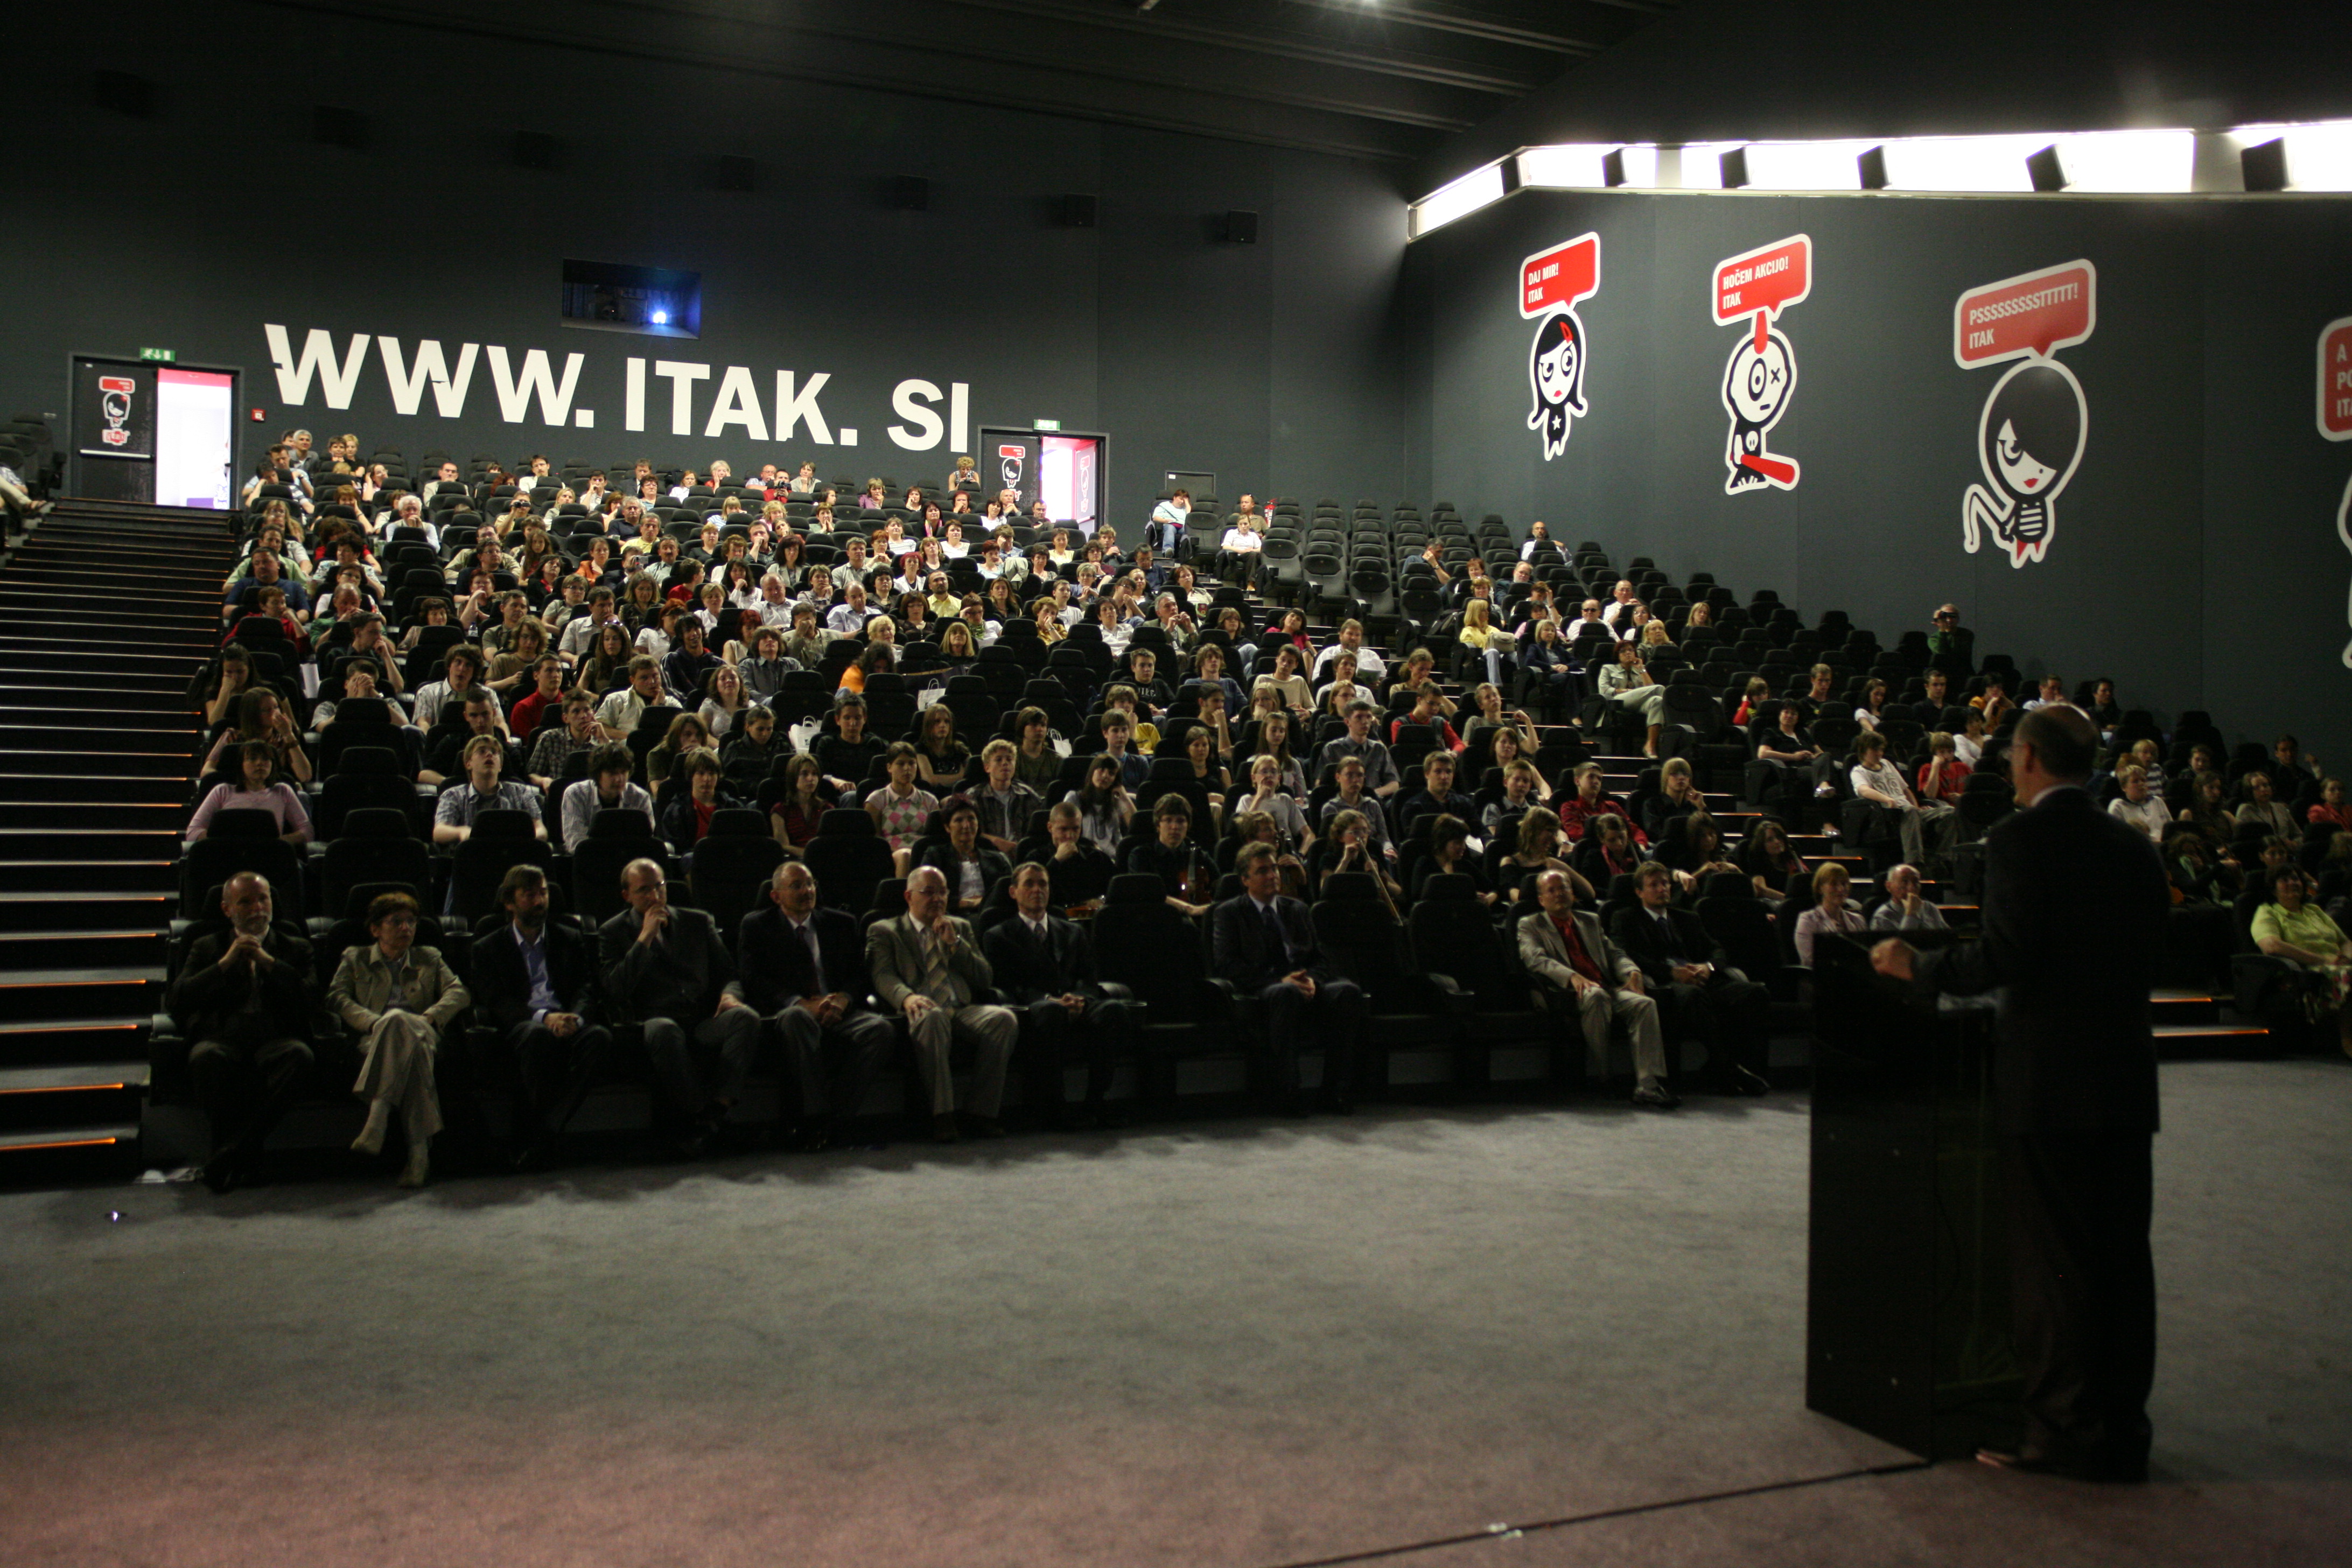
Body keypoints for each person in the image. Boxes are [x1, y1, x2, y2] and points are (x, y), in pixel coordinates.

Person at [1871, 705, 2165, 1483]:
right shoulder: (2135, 848)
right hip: (2124, 1079)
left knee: (2055, 1266)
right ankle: (2122, 1429)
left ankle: (2063, 1433)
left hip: (2050, 1084)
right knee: (2121, 1261)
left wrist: (1917, 966)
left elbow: (2004, 956)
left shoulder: (2018, 840)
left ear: (2029, 758)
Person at [598, 858, 762, 1157]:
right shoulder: (613, 931)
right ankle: (699, 1113)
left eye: (659, 887)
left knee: (746, 1018)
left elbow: (728, 974)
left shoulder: (697, 921)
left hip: (703, 1018)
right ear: (627, 895)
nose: (655, 896)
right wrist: (645, 938)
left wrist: (730, 995)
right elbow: (615, 990)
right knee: (664, 1030)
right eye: (644, 890)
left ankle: (717, 1109)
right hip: (654, 1020)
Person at [733, 862, 896, 1152]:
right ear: (776, 896)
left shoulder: (841, 922)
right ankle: (815, 1117)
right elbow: (752, 978)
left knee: (880, 1029)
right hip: (791, 1008)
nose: (807, 891)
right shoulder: (757, 925)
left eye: (810, 884)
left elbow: (860, 974)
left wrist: (843, 999)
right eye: (796, 886)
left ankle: (835, 1117)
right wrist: (799, 1002)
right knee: (796, 1018)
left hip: (836, 1006)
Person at [171, 873, 316, 1193]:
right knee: (205, 1057)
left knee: (300, 1056)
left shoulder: (295, 946)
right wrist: (225, 963)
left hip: (275, 1036)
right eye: (246, 902)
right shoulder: (206, 946)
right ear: (227, 909)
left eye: (263, 899)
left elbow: (310, 999)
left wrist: (268, 962)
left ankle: (228, 1152)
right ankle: (243, 1154)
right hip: (222, 1036)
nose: (258, 908)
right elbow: (178, 1000)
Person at [467, 865, 614, 1171]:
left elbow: (586, 986)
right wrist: (545, 1018)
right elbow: (496, 1000)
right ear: (510, 902)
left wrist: (575, 1018)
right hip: (524, 1024)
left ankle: (547, 1128)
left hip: (566, 1018)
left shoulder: (568, 937)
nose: (539, 901)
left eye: (544, 893)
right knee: (538, 1037)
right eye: (530, 895)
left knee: (600, 1037)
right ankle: (545, 1133)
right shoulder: (489, 947)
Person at [1210, 841, 1367, 1117]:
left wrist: (1312, 982)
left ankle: (1335, 1091)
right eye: (1262, 871)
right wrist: (1281, 981)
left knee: (1347, 992)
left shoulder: (1297, 909)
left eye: (1274, 869)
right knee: (1287, 994)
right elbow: (1228, 966)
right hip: (1263, 987)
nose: (1272, 876)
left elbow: (1320, 959)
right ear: (1245, 880)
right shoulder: (1229, 913)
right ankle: (1288, 1091)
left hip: (1303, 982)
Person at [326, 891, 471, 1188]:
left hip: (424, 1030)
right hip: (376, 1037)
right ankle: (419, 1153)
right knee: (405, 1037)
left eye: (411, 921)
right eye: (396, 922)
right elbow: (336, 997)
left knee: (400, 1021)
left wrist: (429, 1017)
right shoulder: (356, 958)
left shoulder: (429, 957)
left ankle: (378, 1115)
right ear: (375, 929)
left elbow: (459, 993)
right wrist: (374, 1022)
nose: (406, 928)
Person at [866, 867, 1019, 1142]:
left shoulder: (960, 927)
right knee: (933, 1017)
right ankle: (943, 1115)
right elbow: (883, 976)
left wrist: (956, 945)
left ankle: (981, 1112)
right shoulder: (886, 931)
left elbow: (984, 978)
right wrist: (907, 997)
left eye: (943, 892)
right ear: (909, 896)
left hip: (960, 1008)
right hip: (920, 1009)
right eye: (929, 892)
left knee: (1003, 1019)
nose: (937, 899)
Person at [986, 862, 1135, 1130]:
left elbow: (1088, 977)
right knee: (1051, 1012)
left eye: (1043, 884)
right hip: (1033, 1008)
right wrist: (1048, 999)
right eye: (1029, 884)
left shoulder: (1073, 931)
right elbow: (1007, 985)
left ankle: (1095, 1103)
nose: (1037, 890)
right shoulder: (999, 936)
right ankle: (1055, 1107)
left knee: (1114, 1009)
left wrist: (1081, 999)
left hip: (1076, 1002)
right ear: (1013, 892)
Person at [1516, 869, 1675, 1108]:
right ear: (1541, 899)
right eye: (1552, 890)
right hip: (1567, 992)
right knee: (1596, 996)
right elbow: (1535, 959)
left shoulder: (1590, 920)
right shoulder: (1530, 924)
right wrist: (1572, 977)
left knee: (1644, 1003)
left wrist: (1632, 972)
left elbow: (1614, 953)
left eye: (1564, 888)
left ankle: (1648, 1085)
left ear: (1573, 893)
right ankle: (1604, 1076)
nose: (1560, 894)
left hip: (1605, 985)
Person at [1609, 862, 1770, 1095]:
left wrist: (1708, 967)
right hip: (1662, 983)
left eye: (1665, 883)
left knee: (1755, 993)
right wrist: (1671, 973)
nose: (1662, 889)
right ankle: (1727, 1067)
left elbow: (1717, 950)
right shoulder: (1625, 918)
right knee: (1694, 996)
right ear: (1639, 892)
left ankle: (1724, 1065)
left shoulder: (1687, 918)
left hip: (1699, 977)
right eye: (1654, 885)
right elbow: (1627, 955)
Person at [1850, 730, 1955, 866]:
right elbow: (1864, 790)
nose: (1879, 753)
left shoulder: (1887, 763)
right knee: (1910, 810)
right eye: (1875, 750)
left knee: (1949, 812)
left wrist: (1917, 807)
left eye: (1881, 749)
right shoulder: (1859, 771)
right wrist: (1887, 799)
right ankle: (1914, 862)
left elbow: (1906, 790)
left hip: (1911, 810)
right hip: (1890, 814)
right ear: (1863, 750)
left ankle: (1943, 859)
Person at [914, 796, 1012, 914]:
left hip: (991, 915)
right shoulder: (935, 856)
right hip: (950, 916)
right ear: (947, 827)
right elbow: (927, 894)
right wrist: (969, 903)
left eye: (971, 819)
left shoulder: (997, 859)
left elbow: (1008, 894)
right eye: (959, 820)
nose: (967, 825)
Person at [1794, 862, 1866, 966]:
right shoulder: (1808, 920)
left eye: (1844, 884)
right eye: (1834, 884)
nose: (1841, 889)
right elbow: (1809, 960)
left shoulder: (1858, 920)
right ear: (1820, 888)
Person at [1868, 862, 1948, 934]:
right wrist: (1911, 914)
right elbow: (1901, 944)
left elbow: (1947, 937)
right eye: (1904, 882)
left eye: (1916, 882)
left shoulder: (1929, 908)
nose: (1911, 888)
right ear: (1889, 886)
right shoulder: (1883, 917)